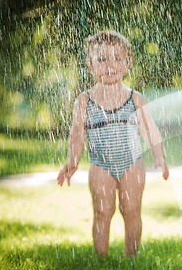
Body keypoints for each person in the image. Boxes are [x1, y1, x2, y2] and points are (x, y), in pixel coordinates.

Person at [57, 30, 169, 257]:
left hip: (132, 164)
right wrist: (72, 162)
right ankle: (101, 258)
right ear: (90, 64)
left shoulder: (134, 98)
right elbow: (77, 134)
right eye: (102, 60)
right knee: (102, 211)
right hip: (100, 165)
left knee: (132, 210)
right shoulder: (84, 100)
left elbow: (149, 128)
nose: (110, 65)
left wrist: (159, 155)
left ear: (128, 63)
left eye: (117, 59)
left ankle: (132, 256)